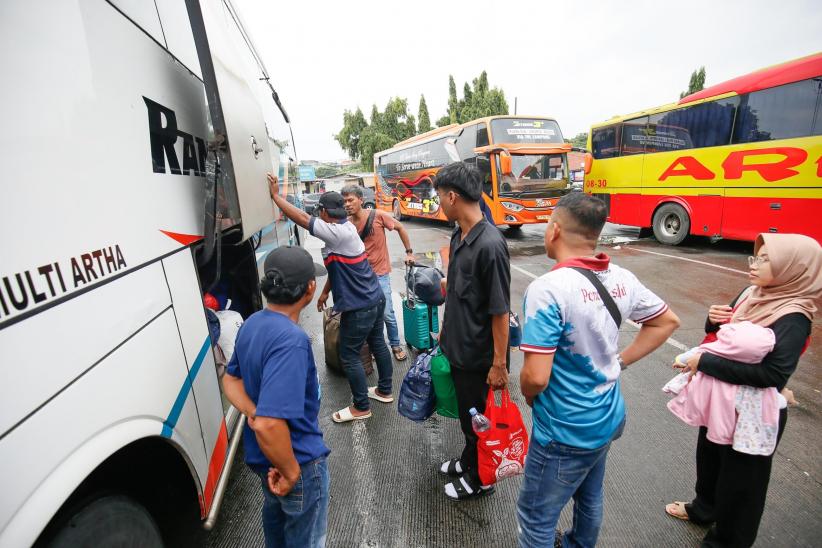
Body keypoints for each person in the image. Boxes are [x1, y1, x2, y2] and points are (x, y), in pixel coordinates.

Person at [517, 192, 680, 548]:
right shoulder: (621, 278)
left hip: (566, 430)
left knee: (535, 518)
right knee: (589, 495)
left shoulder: (547, 290)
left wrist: (528, 394)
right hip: (608, 417)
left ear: (554, 230)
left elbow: (535, 378)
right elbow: (666, 321)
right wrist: (619, 362)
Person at [665, 233, 822, 548]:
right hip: (721, 398)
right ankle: (703, 509)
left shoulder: (793, 316)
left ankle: (726, 542)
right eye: (756, 257)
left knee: (742, 486)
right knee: (709, 461)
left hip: (754, 411)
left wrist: (704, 362)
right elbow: (725, 338)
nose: (754, 265)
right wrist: (712, 322)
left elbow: (772, 375)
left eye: (766, 260)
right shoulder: (753, 292)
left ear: (794, 268)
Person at [221, 246, 330, 548]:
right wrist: (291, 471)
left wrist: (255, 412)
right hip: (296, 463)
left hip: (266, 459)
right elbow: (269, 424)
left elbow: (230, 380)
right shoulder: (291, 341)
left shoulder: (253, 322)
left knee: (278, 536)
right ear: (310, 288)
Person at [268, 174, 394, 424]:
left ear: (325, 212)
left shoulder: (336, 232)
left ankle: (361, 407)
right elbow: (340, 268)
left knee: (348, 354)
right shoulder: (345, 230)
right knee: (377, 341)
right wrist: (325, 292)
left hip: (361, 305)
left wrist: (275, 197)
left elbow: (303, 219)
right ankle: (385, 390)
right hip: (374, 298)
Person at [433, 162, 511, 501]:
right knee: (469, 417)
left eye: (438, 198)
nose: (438, 205)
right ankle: (469, 459)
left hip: (480, 358)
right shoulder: (459, 234)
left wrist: (498, 364)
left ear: (452, 196)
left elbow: (499, 311)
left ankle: (483, 478)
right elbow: (462, 290)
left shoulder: (490, 245)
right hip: (459, 348)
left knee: (480, 420)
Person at [663, 321, 782, 457]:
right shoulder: (747, 304)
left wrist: (700, 361)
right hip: (743, 414)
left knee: (723, 457)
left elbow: (774, 375)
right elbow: (712, 331)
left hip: (723, 404)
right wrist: (712, 321)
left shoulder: (793, 320)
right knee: (712, 458)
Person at [341, 184, 414, 361]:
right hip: (360, 278)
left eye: (350, 200)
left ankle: (395, 345)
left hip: (380, 274)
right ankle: (375, 347)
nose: (347, 204)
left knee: (387, 313)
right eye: (344, 201)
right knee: (368, 317)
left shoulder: (378, 216)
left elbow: (400, 228)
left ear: (360, 199)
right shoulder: (347, 224)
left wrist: (409, 252)